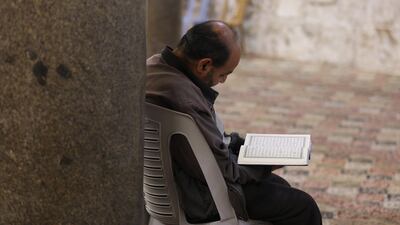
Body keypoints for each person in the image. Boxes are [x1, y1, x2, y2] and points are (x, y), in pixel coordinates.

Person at [146, 20, 322, 225]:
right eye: (224, 74)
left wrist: (242, 145)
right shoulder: (185, 99)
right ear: (204, 64)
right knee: (303, 206)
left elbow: (207, 143)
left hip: (174, 188)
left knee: (279, 187)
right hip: (203, 198)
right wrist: (267, 164)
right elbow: (226, 172)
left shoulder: (152, 66)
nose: (223, 81)